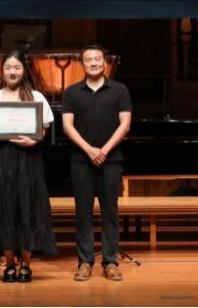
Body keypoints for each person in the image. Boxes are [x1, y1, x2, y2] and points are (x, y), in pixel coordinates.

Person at [0, 50, 57, 283]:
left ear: (24, 70)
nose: (13, 72)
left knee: (28, 206)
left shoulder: (36, 97)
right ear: (2, 71)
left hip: (29, 158)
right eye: (8, 67)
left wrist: (35, 140)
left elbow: (43, 129)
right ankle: (9, 263)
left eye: (17, 67)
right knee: (5, 207)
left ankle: (26, 264)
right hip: (2, 159)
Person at [62, 45, 132, 282]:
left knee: (110, 212)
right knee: (83, 214)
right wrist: (90, 150)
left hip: (111, 160)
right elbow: (67, 126)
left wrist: (104, 150)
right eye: (88, 59)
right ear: (82, 64)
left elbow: (125, 124)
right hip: (81, 160)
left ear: (105, 62)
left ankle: (110, 262)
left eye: (97, 59)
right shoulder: (72, 92)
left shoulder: (119, 90)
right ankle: (85, 262)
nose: (93, 63)